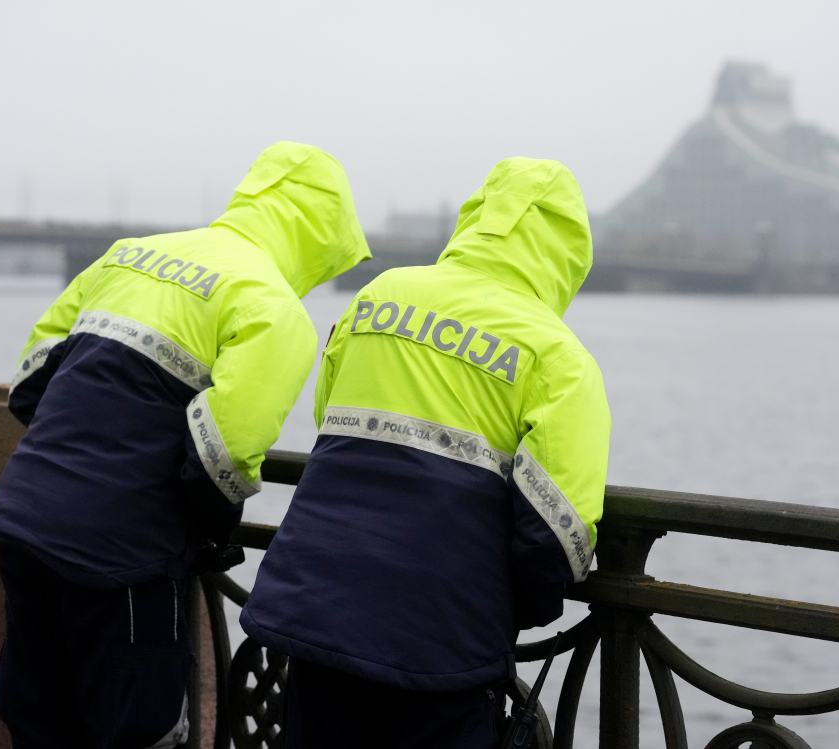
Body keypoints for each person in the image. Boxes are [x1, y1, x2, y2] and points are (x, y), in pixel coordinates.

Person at [0, 141, 370, 749]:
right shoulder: (270, 304)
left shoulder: (131, 255)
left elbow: (28, 385)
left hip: (26, 519)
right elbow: (225, 455)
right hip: (121, 552)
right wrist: (213, 534)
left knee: (38, 717)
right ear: (321, 239)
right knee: (139, 730)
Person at [241, 157, 611, 748]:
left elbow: (330, 424)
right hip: (439, 643)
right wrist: (512, 611)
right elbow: (558, 533)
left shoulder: (380, 295)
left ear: (476, 216)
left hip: (315, 608)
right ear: (568, 252)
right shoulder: (556, 356)